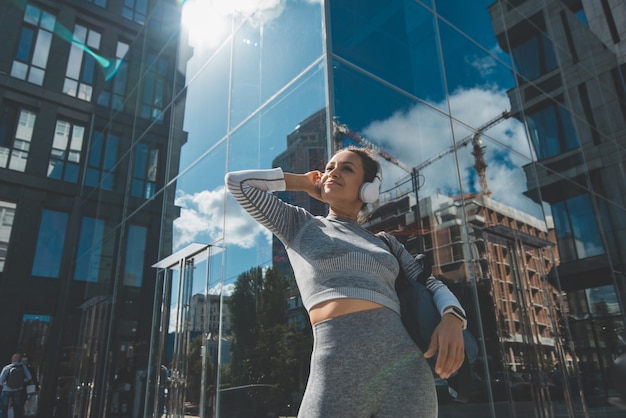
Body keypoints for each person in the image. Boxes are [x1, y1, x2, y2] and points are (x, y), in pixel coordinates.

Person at [225, 146, 466, 417]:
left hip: (403, 367)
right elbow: (238, 184)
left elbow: (433, 284)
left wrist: (452, 319)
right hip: (334, 363)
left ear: (368, 189)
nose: (333, 173)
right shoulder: (300, 225)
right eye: (329, 168)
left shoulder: (386, 242)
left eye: (346, 169)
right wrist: (303, 182)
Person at [0, 353, 32, 418]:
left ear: (12, 359)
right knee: (17, 407)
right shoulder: (23, 367)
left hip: (7, 389)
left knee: (4, 406)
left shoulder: (7, 367)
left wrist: (3, 385)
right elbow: (29, 377)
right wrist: (21, 382)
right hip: (18, 389)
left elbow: (1, 379)